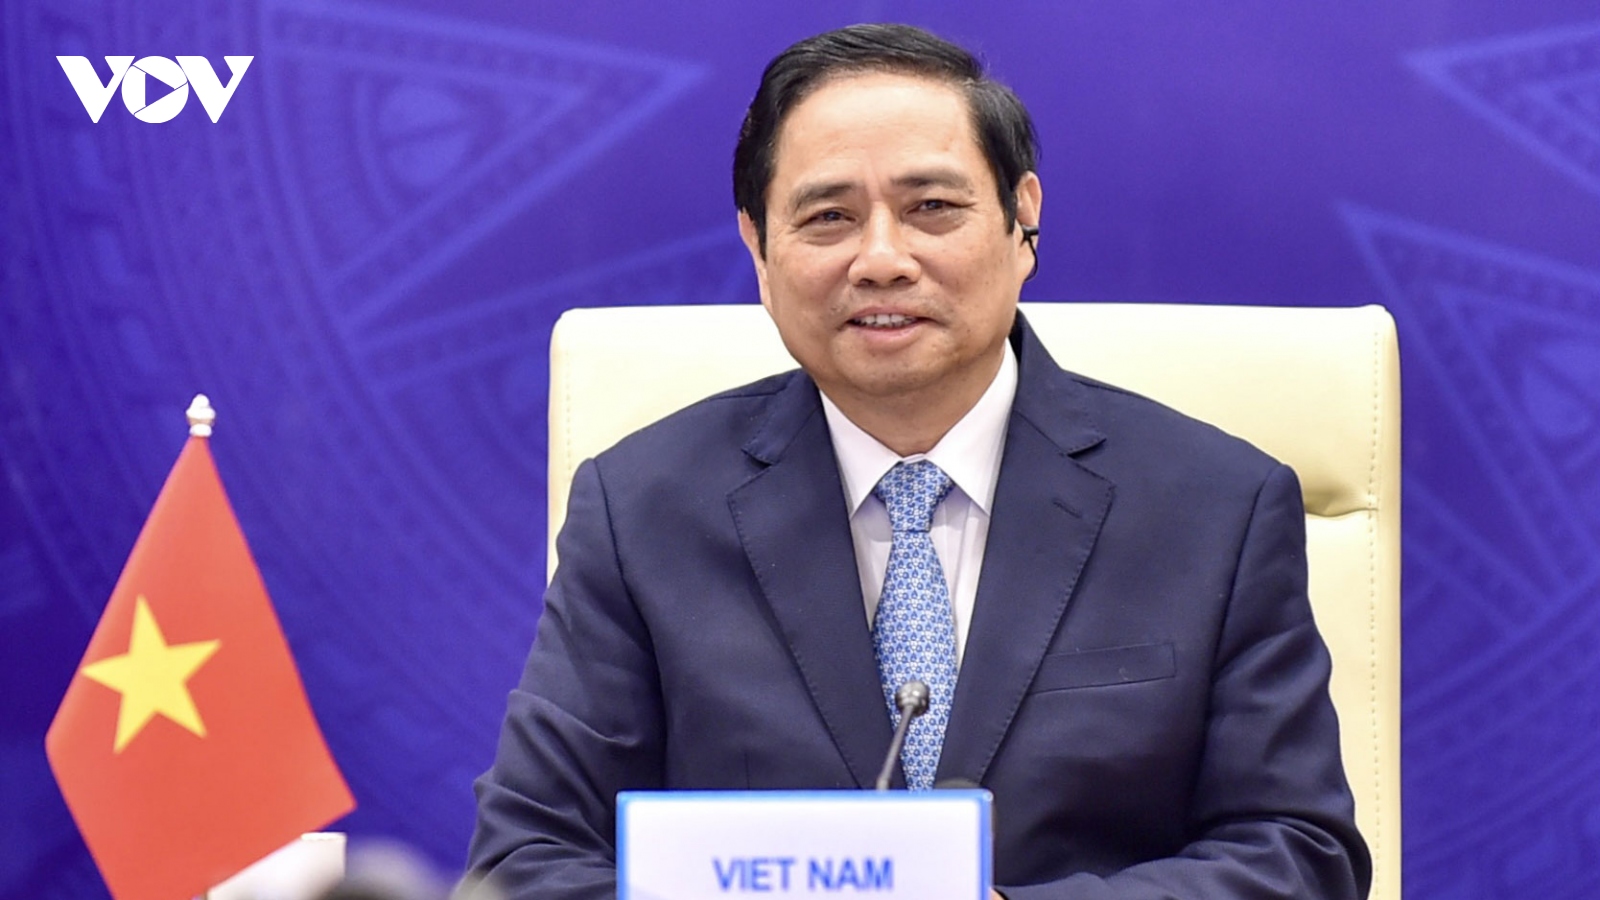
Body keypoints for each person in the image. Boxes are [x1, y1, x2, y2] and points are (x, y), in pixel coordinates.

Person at [467, 23, 1371, 899]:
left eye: (932, 208)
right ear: (758, 250)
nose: (882, 259)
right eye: (828, 217)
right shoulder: (642, 511)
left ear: (1023, 220)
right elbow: (525, 859)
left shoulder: (1216, 507)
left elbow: (1299, 855)